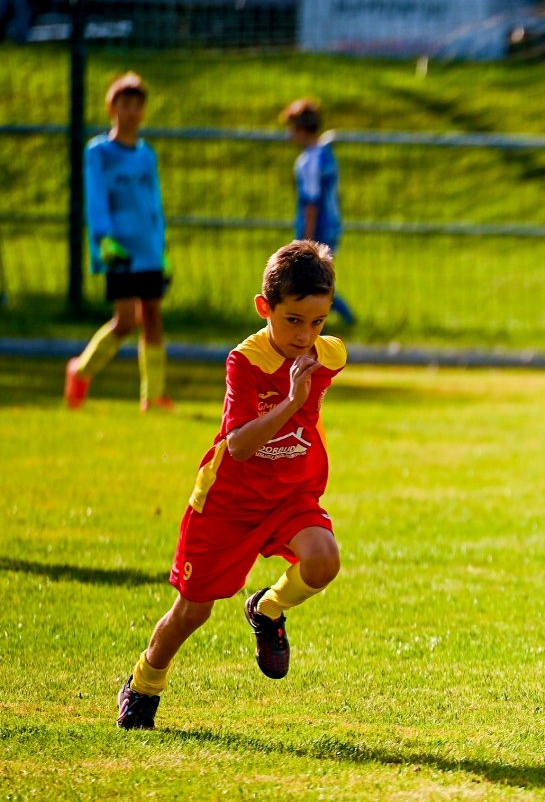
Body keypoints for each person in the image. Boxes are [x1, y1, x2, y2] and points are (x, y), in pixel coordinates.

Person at [115, 241, 347, 730]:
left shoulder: (330, 355)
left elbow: (315, 397)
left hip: (289, 495)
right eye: (293, 321)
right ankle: (143, 681)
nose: (306, 336)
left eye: (318, 322)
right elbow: (239, 445)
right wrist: (290, 401)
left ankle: (267, 608)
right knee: (191, 612)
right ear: (265, 308)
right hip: (229, 503)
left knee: (324, 559)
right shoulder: (245, 361)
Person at [65, 73, 172, 411]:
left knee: (153, 316)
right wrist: (104, 240)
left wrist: (162, 247)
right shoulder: (99, 152)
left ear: (143, 111)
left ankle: (152, 397)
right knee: (126, 321)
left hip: (149, 249)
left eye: (137, 106)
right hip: (120, 249)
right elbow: (96, 197)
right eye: (125, 104)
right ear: (112, 107)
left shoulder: (146, 154)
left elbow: (154, 203)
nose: (131, 112)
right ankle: (81, 371)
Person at [281, 98, 355, 325]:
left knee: (312, 279)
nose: (290, 135)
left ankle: (343, 319)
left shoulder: (308, 161)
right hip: (333, 223)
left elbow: (311, 202)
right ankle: (331, 321)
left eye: (292, 128)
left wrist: (307, 240)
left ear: (302, 129)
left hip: (317, 226)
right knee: (317, 278)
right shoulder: (325, 154)